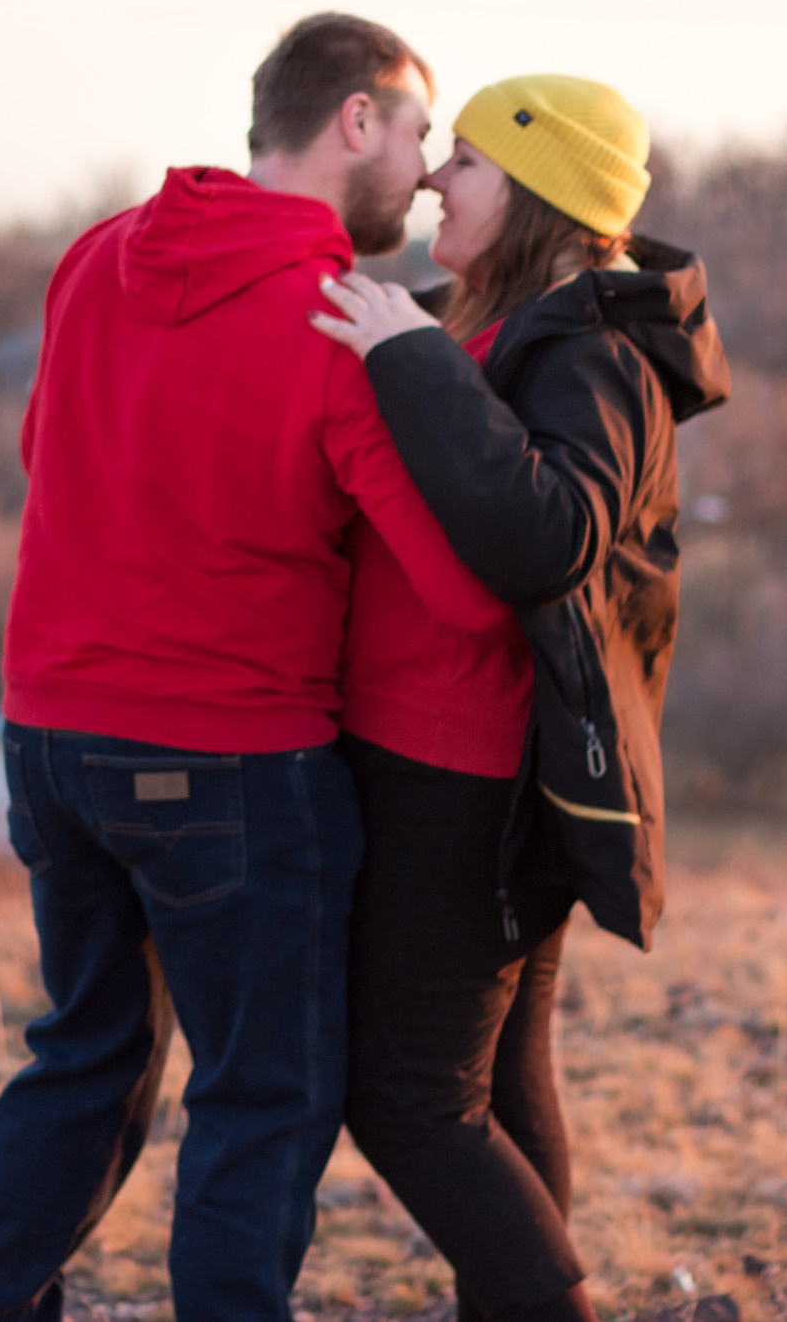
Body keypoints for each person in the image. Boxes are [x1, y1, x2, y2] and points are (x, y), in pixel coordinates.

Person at [0, 14, 505, 1322]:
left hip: (49, 738)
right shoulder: (348, 324)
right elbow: (463, 588)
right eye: (417, 130)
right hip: (233, 757)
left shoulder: (95, 252)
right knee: (263, 1091)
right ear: (356, 119)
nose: (420, 169)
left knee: (84, 1053)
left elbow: (43, 450)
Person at [308, 74, 729, 1322]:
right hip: (462, 753)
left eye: (471, 164)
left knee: (406, 1097)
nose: (436, 177)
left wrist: (414, 362)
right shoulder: (506, 316)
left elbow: (548, 536)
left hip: (470, 771)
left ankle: (551, 1309)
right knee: (491, 1082)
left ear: (539, 191)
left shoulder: (594, 346)